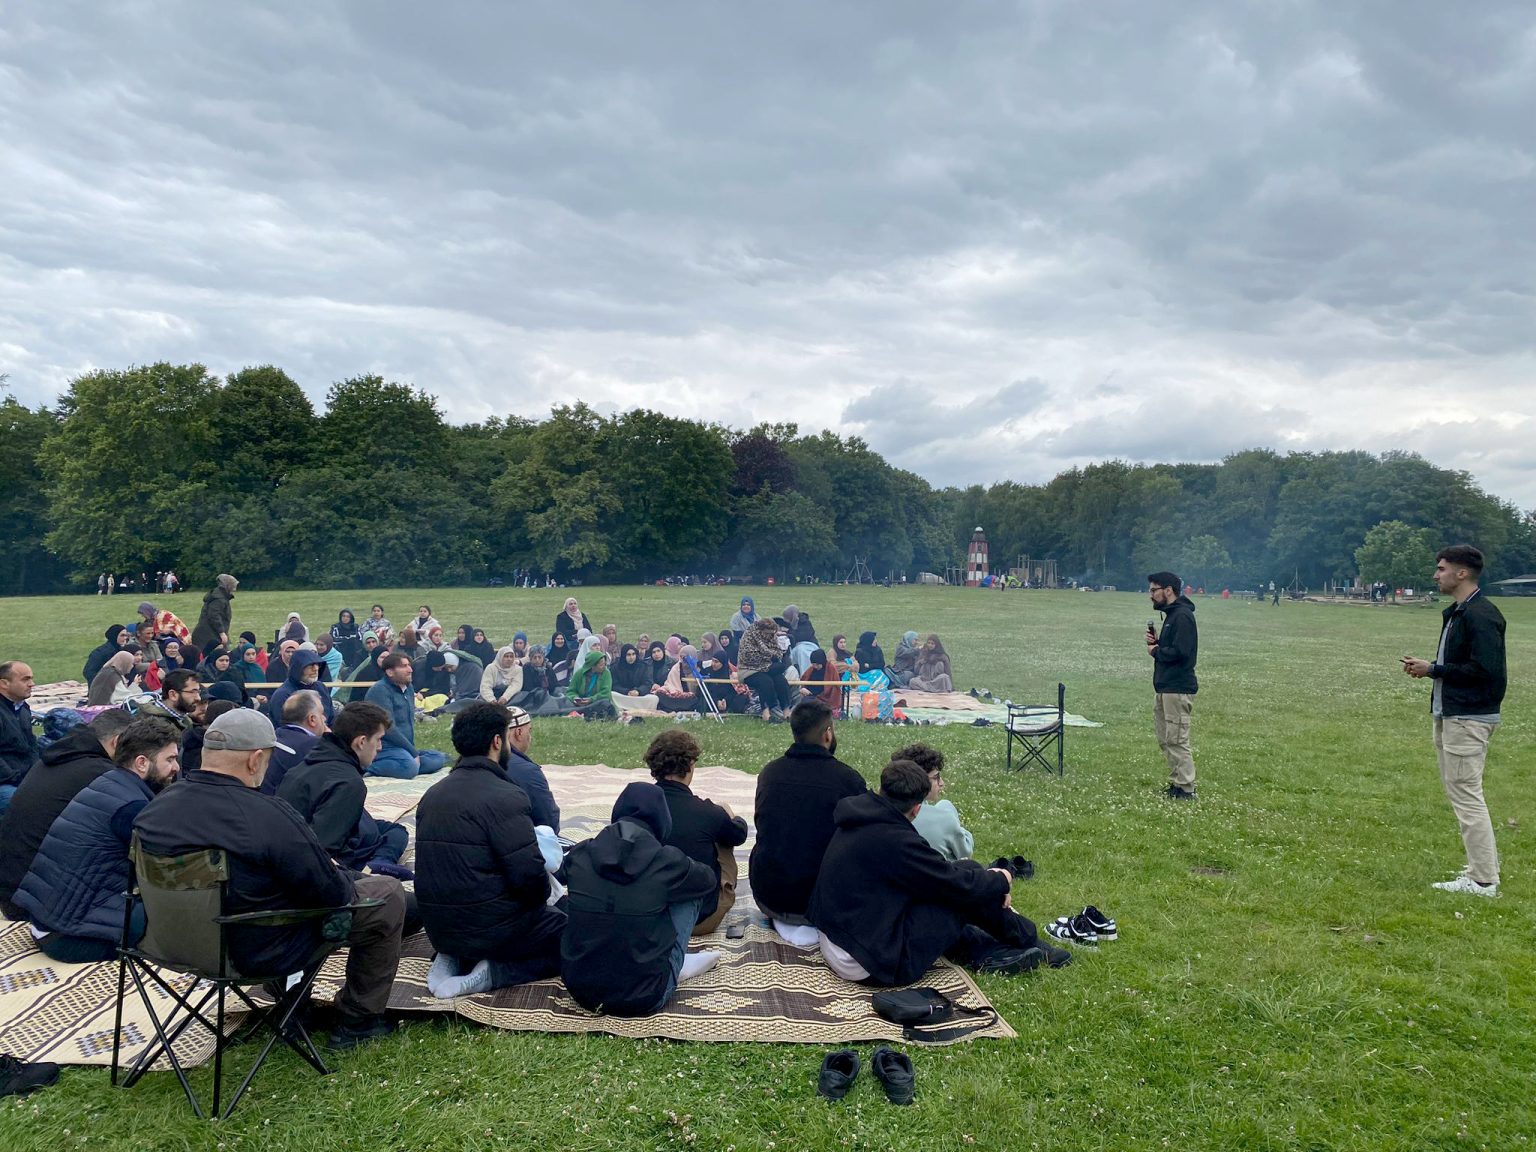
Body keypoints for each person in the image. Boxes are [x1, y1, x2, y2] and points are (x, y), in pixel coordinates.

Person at [133, 708, 407, 1051]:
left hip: (166, 944)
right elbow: (332, 894)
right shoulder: (264, 815)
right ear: (256, 759)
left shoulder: (154, 810)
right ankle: (358, 1020)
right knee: (388, 894)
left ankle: (296, 1008)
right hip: (253, 951)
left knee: (270, 892)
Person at [809, 759, 1066, 985]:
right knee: (963, 892)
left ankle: (989, 947)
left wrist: (986, 879)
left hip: (838, 938)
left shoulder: (858, 815)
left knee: (966, 872)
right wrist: (1002, 879)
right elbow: (959, 885)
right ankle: (1029, 941)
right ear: (916, 809)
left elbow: (942, 874)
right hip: (871, 962)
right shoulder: (896, 840)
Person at [414, 702, 567, 998]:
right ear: (498, 741)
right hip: (491, 929)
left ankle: (453, 955)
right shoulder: (506, 796)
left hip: (439, 927)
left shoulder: (432, 794)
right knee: (575, 940)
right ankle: (494, 973)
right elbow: (529, 879)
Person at [12, 718, 181, 962]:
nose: (176, 768)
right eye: (170, 759)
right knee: (187, 914)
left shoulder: (108, 783)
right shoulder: (130, 806)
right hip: (70, 937)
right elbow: (172, 863)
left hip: (48, 921)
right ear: (142, 763)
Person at [1401, 545, 1508, 897]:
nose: (1436, 574)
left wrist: (1434, 669)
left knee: (1466, 796)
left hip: (1468, 717)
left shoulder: (1480, 615)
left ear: (1462, 573)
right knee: (1461, 792)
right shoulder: (1460, 612)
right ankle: (1482, 868)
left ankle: (1482, 881)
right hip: (1452, 713)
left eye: (1442, 568)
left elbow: (1487, 672)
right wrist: (1432, 669)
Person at [559, 782, 720, 1016]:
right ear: (662, 820)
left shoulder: (581, 853)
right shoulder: (667, 862)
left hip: (580, 990)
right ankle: (675, 962)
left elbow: (557, 875)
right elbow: (707, 881)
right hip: (646, 995)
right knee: (690, 893)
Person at [749, 699, 867, 944]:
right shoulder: (848, 780)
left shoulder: (770, 773)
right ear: (828, 733)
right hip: (822, 902)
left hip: (770, 896)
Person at [0, 709, 134, 919]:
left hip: (13, 887)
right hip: (35, 901)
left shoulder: (62, 757)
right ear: (116, 742)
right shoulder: (99, 773)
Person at [278, 701, 409, 875]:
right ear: (361, 742)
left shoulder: (309, 762)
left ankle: (380, 861)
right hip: (312, 864)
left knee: (395, 830)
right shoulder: (348, 783)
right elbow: (324, 852)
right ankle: (377, 865)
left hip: (289, 848)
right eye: (378, 740)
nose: (380, 747)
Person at [648, 730, 748, 935]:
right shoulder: (708, 812)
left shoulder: (637, 807)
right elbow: (738, 835)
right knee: (723, 837)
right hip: (700, 918)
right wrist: (728, 814)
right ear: (690, 766)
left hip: (644, 913)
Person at [1146, 571, 1199, 800]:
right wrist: (1158, 642)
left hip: (1177, 688)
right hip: (1165, 687)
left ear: (1168, 590)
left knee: (1177, 738)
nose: (1151, 595)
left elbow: (1182, 652)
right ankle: (1177, 784)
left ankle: (1186, 789)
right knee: (1166, 738)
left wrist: (1156, 651)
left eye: (1154, 590)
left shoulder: (1182, 616)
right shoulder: (1171, 615)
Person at [364, 653, 448, 779]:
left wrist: (411, 751)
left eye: (409, 665)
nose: (410, 669)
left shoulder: (408, 688)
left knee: (439, 758)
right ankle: (366, 767)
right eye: (404, 666)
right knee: (410, 767)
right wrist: (413, 752)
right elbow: (388, 727)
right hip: (385, 748)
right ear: (390, 672)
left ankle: (406, 762)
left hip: (404, 747)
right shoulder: (380, 690)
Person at [896, 743, 974, 861]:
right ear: (919, 779)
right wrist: (961, 830)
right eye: (936, 777)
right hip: (937, 874)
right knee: (947, 806)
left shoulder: (883, 810)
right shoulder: (943, 819)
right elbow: (965, 852)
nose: (941, 783)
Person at [262, 689, 327, 797]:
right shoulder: (317, 747)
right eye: (322, 713)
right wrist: (331, 740)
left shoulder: (273, 738)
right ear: (312, 719)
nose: (324, 718)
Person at [736, 618, 794, 722]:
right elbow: (748, 656)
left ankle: (787, 712)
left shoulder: (772, 637)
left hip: (767, 667)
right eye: (767, 633)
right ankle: (766, 714)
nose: (770, 636)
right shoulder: (749, 637)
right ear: (761, 630)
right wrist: (770, 658)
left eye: (772, 633)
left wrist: (772, 657)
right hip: (748, 669)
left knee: (780, 680)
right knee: (765, 682)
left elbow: (777, 652)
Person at [0, 661, 39, 815]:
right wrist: (15, 778)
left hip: (23, 776)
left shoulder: (22, 708)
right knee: (29, 808)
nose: (32, 684)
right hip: (5, 781)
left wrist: (37, 773)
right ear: (4, 683)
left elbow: (32, 745)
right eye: (25, 679)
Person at [267, 649, 335, 727]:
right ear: (298, 668)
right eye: (310, 665)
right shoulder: (283, 695)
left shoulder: (321, 688)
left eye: (317, 665)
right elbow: (285, 728)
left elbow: (331, 718)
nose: (315, 669)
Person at [136, 668, 202, 732]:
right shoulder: (152, 726)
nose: (198, 698)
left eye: (198, 692)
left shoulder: (184, 719)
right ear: (173, 695)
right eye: (192, 692)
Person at [189, 573, 237, 653]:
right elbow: (214, 616)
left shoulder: (220, 596)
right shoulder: (218, 598)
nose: (234, 589)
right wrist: (221, 633)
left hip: (210, 633)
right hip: (208, 635)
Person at [566, 649, 617, 720]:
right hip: (579, 704)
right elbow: (570, 691)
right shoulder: (579, 673)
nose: (604, 666)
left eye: (604, 664)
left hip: (595, 703)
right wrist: (575, 698)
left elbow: (606, 693)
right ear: (592, 665)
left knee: (605, 704)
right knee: (565, 701)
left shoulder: (606, 673)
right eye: (601, 664)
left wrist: (591, 699)